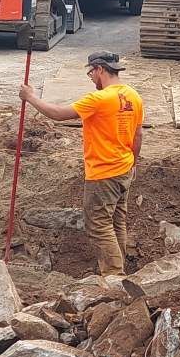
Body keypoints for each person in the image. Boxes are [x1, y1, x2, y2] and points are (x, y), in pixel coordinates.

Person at [19, 51, 144, 275]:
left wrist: (31, 98)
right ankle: (119, 268)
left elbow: (58, 114)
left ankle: (114, 275)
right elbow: (138, 134)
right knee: (116, 222)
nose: (91, 77)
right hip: (124, 166)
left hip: (103, 172)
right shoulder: (133, 96)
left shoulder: (98, 99)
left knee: (99, 225)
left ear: (100, 70)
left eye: (90, 72)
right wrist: (134, 161)